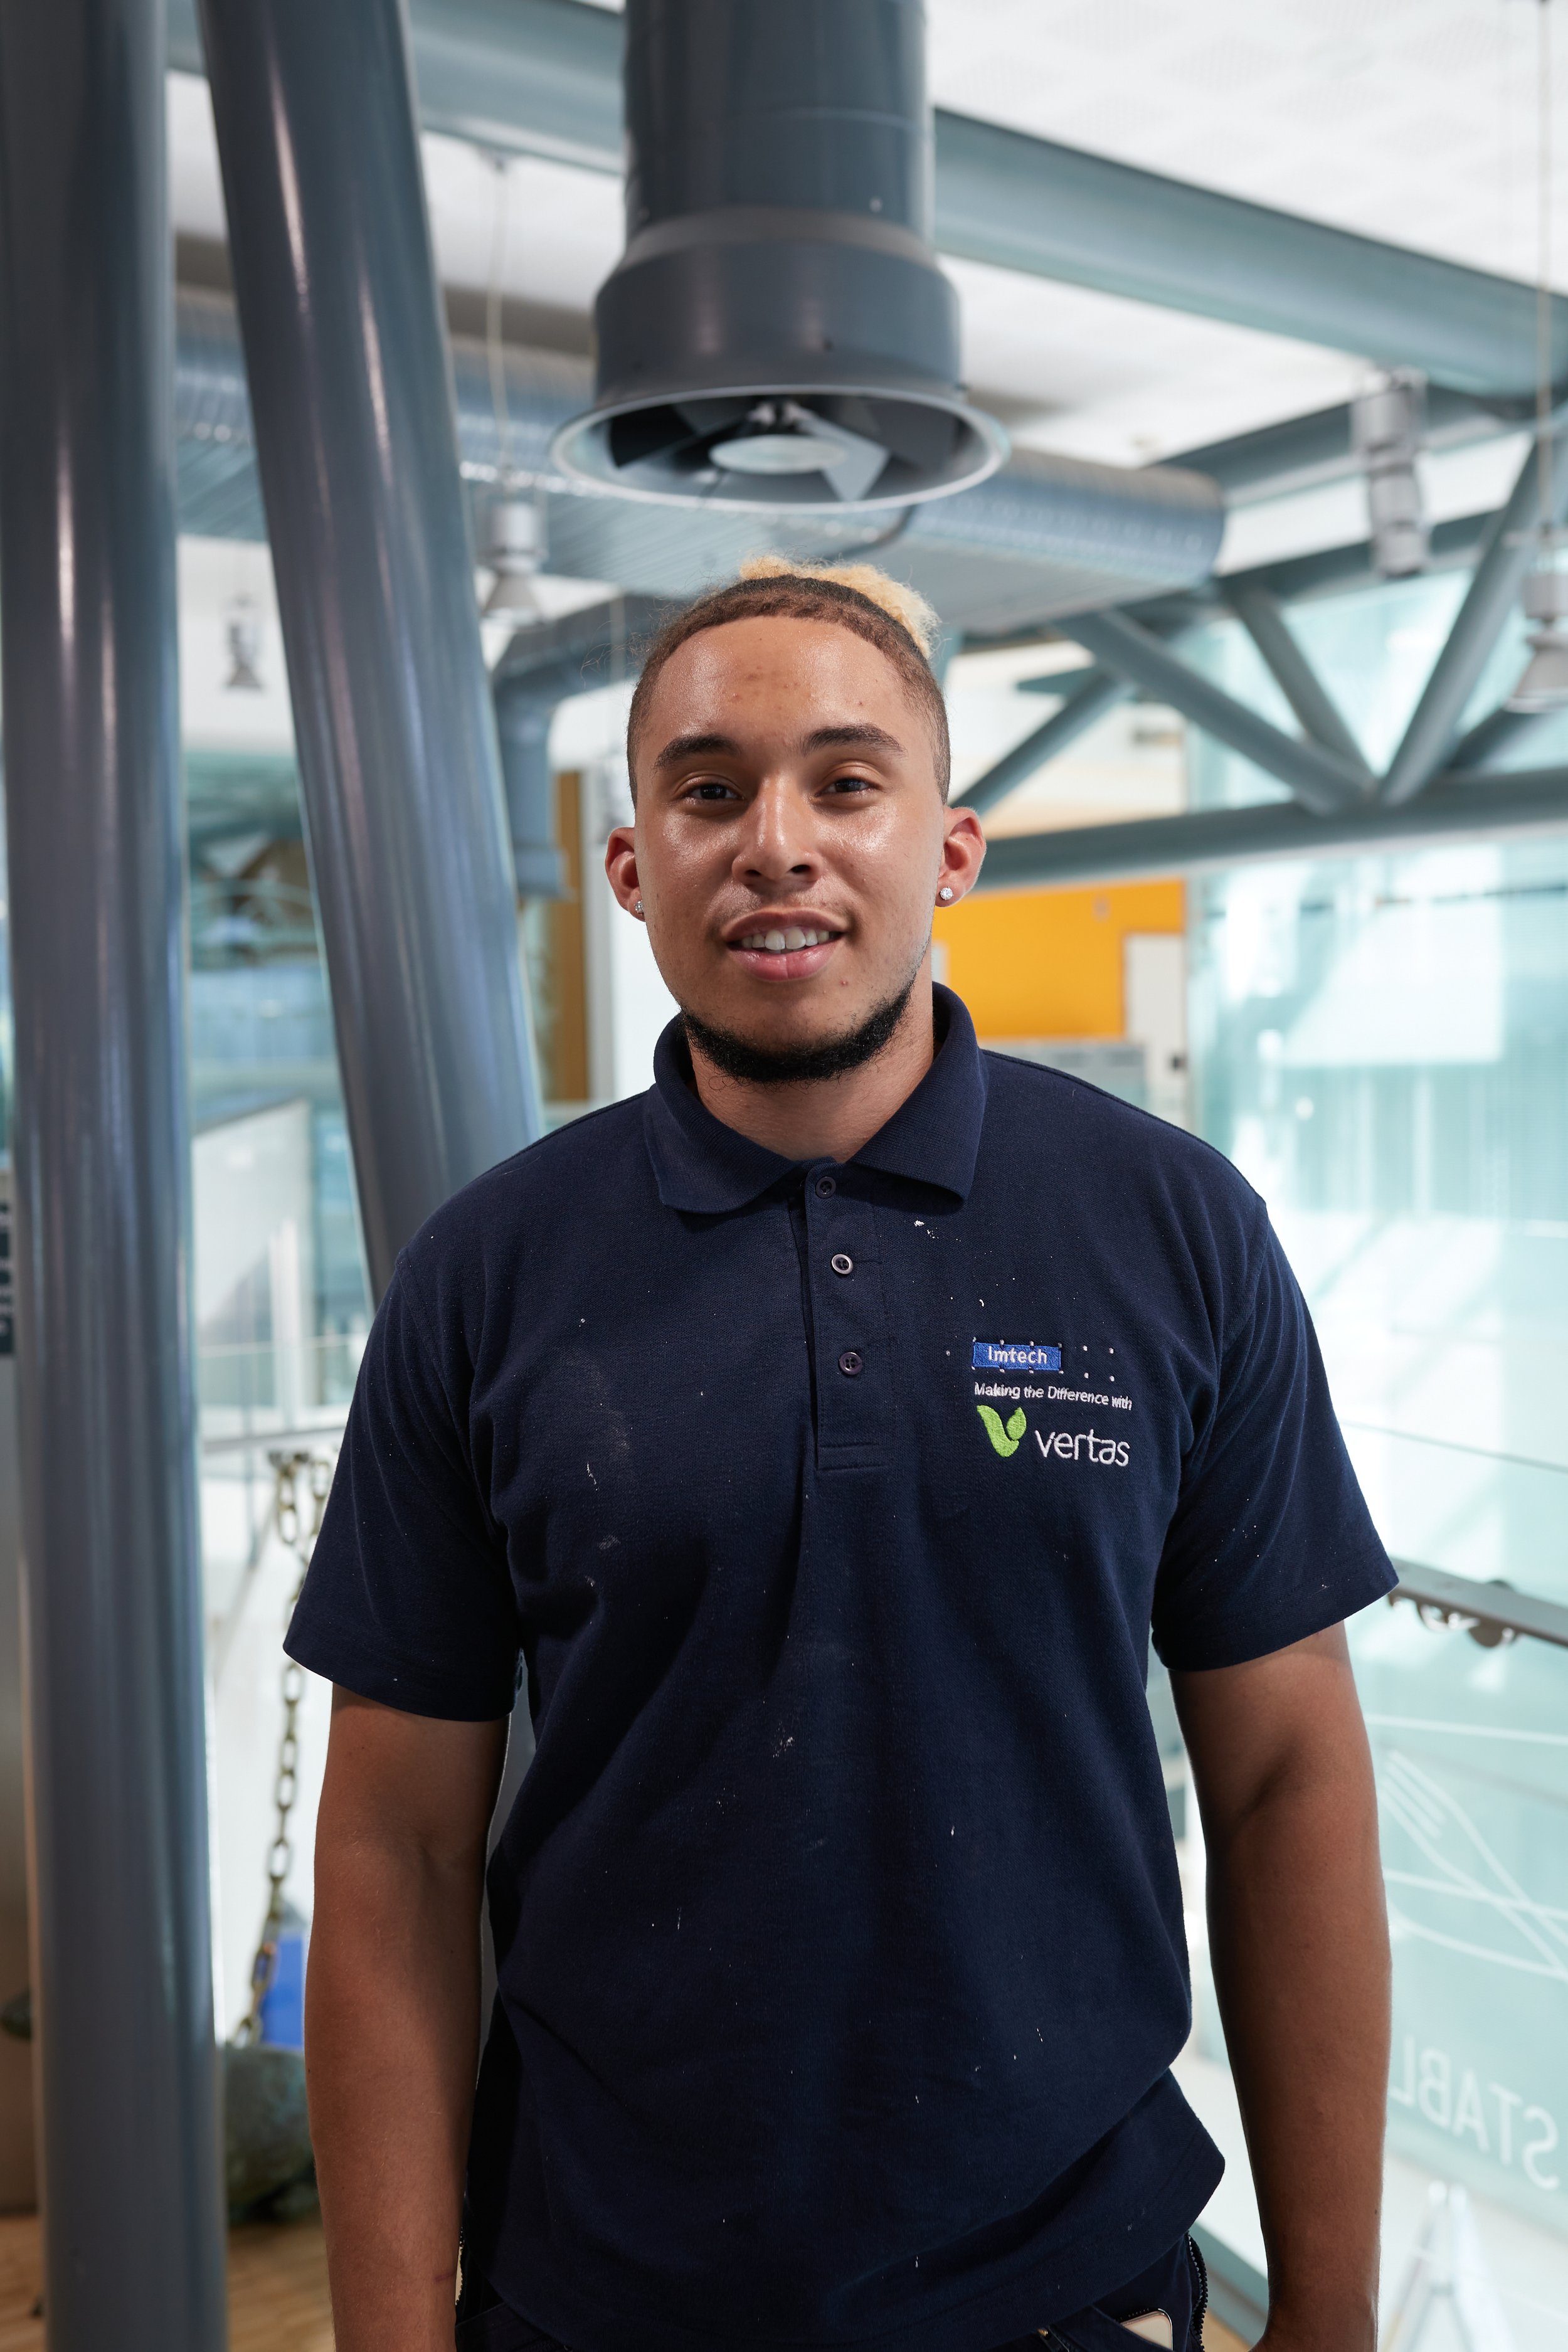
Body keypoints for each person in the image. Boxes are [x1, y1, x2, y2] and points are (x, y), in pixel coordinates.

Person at [288, 558, 1394, 2352]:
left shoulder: (1168, 1225)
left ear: (947, 850)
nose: (777, 843)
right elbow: (394, 1854)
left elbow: (1285, 1781)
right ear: (634, 866)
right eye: (711, 789)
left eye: (846, 781)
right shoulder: (488, 1275)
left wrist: (1329, 2317)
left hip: (1069, 2287)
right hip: (603, 2297)